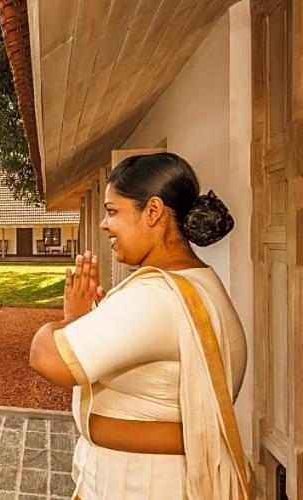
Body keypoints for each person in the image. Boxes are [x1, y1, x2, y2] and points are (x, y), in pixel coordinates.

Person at [29, 152, 249, 499]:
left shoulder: (155, 296)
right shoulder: (198, 280)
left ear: (153, 212)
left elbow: (47, 358)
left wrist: (71, 320)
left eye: (112, 211)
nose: (104, 224)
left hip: (146, 485)